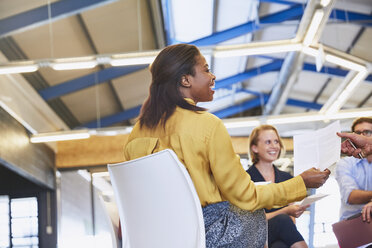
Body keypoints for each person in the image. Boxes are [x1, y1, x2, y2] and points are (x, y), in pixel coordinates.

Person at [123, 44, 330, 247]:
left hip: (157, 236)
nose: (212, 76)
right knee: (252, 212)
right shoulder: (207, 125)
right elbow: (246, 197)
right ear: (185, 80)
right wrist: (301, 183)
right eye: (206, 69)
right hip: (202, 235)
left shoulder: (137, 133)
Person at [247, 125, 310, 248]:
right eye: (268, 142)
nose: (274, 146)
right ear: (254, 148)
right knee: (282, 220)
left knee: (280, 245)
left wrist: (294, 212)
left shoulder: (286, 178)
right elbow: (250, 219)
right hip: (255, 236)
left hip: (280, 235)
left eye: (276, 141)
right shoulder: (246, 179)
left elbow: (292, 221)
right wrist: (285, 211)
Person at [335, 117, 372, 221]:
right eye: (357, 133)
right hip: (352, 224)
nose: (361, 137)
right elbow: (351, 196)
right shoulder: (345, 163)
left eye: (367, 132)